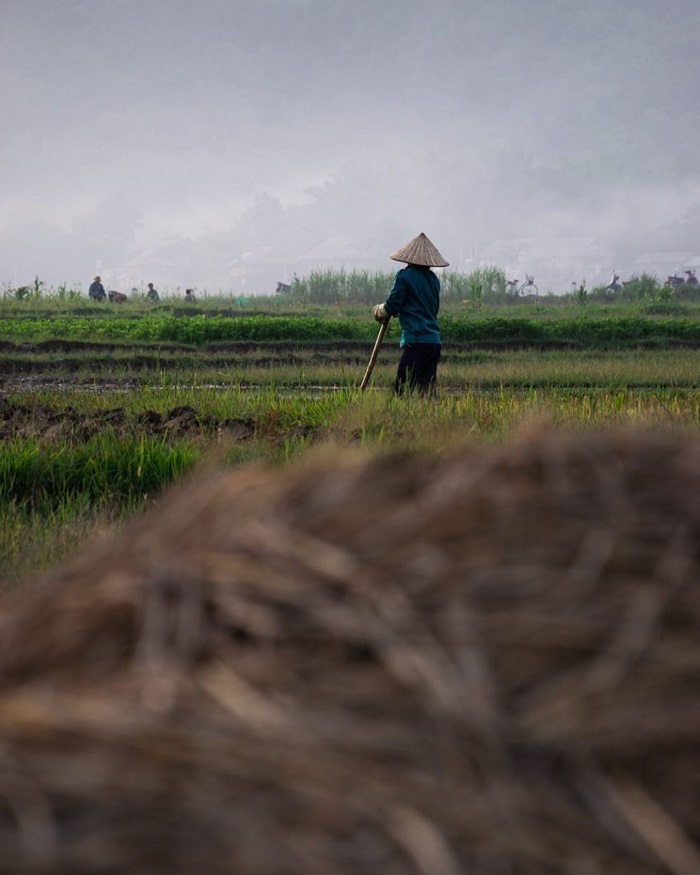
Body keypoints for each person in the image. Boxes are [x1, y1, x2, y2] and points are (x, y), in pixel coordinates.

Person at [371, 232, 448, 395]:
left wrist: (379, 310)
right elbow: (423, 307)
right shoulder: (433, 280)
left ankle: (399, 419)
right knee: (426, 393)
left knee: (402, 390)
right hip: (434, 342)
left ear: (408, 259)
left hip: (416, 341)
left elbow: (392, 306)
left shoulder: (404, 276)